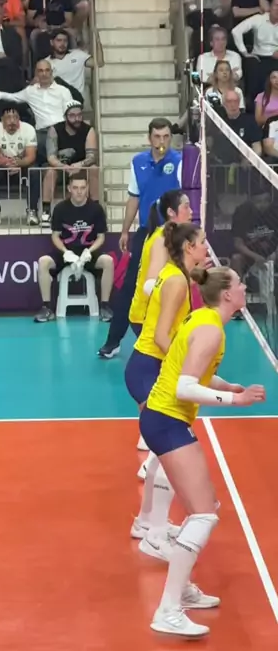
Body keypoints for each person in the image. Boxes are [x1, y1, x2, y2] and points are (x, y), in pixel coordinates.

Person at [140, 267, 266, 637]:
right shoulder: (211, 330)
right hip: (167, 419)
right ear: (227, 294)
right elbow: (186, 387)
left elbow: (192, 369)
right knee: (204, 515)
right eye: (239, 283)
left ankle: (181, 589)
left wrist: (227, 385)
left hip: (162, 417)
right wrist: (236, 400)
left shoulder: (203, 318)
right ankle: (168, 610)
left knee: (205, 509)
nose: (244, 286)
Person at [126, 222, 208, 563]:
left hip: (150, 367)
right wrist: (186, 365)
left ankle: (147, 522)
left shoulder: (178, 275)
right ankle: (154, 533)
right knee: (171, 451)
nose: (206, 246)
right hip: (148, 368)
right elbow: (161, 335)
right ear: (188, 247)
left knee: (161, 453)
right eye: (202, 242)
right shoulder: (175, 280)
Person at [98, 118, 182, 359]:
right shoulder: (138, 162)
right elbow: (134, 198)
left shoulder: (180, 162)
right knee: (130, 287)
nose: (161, 141)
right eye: (157, 136)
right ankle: (113, 342)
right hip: (147, 233)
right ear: (149, 138)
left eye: (166, 136)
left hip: (174, 233)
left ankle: (178, 344)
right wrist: (125, 230)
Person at [128, 190, 193, 467]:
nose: (191, 210)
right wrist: (172, 290)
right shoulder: (161, 239)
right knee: (158, 376)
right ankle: (154, 439)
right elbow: (149, 283)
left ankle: (150, 435)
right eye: (186, 206)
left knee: (158, 379)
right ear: (171, 212)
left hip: (157, 315)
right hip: (146, 315)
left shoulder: (175, 238)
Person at [34, 171, 114, 323]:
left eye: (82, 188)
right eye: (75, 188)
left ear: (87, 188)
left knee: (108, 261)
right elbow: (55, 236)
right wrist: (65, 252)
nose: (79, 191)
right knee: (43, 262)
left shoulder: (96, 209)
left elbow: (101, 237)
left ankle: (105, 306)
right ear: (69, 188)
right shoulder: (60, 209)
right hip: (66, 253)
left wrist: (89, 251)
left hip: (88, 253)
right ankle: (46, 308)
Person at [0, 59, 73, 175]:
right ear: (36, 73)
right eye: (40, 71)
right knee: (33, 158)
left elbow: (70, 112)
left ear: (52, 72)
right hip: (42, 133)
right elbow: (13, 97)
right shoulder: (30, 91)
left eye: (47, 70)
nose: (44, 74)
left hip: (60, 130)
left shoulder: (63, 91)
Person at [0, 103, 39, 226]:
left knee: (35, 171)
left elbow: (31, 156)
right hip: (3, 167)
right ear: (2, 119)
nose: (12, 121)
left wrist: (19, 164)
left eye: (15, 117)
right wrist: (7, 164)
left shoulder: (28, 129)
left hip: (22, 165)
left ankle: (32, 211)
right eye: (8, 117)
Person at [44, 100, 98, 210]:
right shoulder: (55, 130)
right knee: (50, 171)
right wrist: (63, 166)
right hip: (61, 169)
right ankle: (46, 211)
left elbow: (92, 156)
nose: (77, 119)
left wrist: (80, 165)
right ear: (65, 117)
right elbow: (51, 157)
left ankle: (95, 207)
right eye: (72, 116)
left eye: (79, 115)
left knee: (94, 168)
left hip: (81, 168)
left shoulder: (88, 130)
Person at [232, 0, 278, 103]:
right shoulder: (258, 19)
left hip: (276, 57)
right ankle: (255, 104)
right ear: (270, 6)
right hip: (258, 57)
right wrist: (244, 52)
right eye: (276, 5)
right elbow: (236, 31)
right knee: (252, 66)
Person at [46, 26, 103, 99]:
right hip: (58, 99)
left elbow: (99, 63)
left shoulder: (77, 55)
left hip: (76, 99)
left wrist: (98, 42)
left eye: (65, 41)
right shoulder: (46, 62)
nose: (62, 43)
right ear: (51, 42)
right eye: (59, 40)